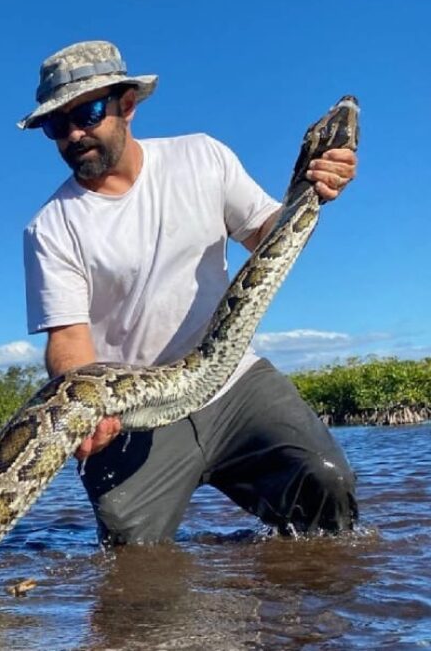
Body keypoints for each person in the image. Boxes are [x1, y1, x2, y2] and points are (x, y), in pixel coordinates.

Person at [18, 40, 358, 547]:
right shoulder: (49, 228)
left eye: (87, 113)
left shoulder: (202, 156)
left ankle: (302, 616)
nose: (73, 134)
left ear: (126, 105)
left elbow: (268, 236)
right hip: (134, 409)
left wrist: (315, 190)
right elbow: (68, 339)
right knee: (130, 551)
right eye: (55, 125)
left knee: (327, 484)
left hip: (233, 382)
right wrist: (89, 408)